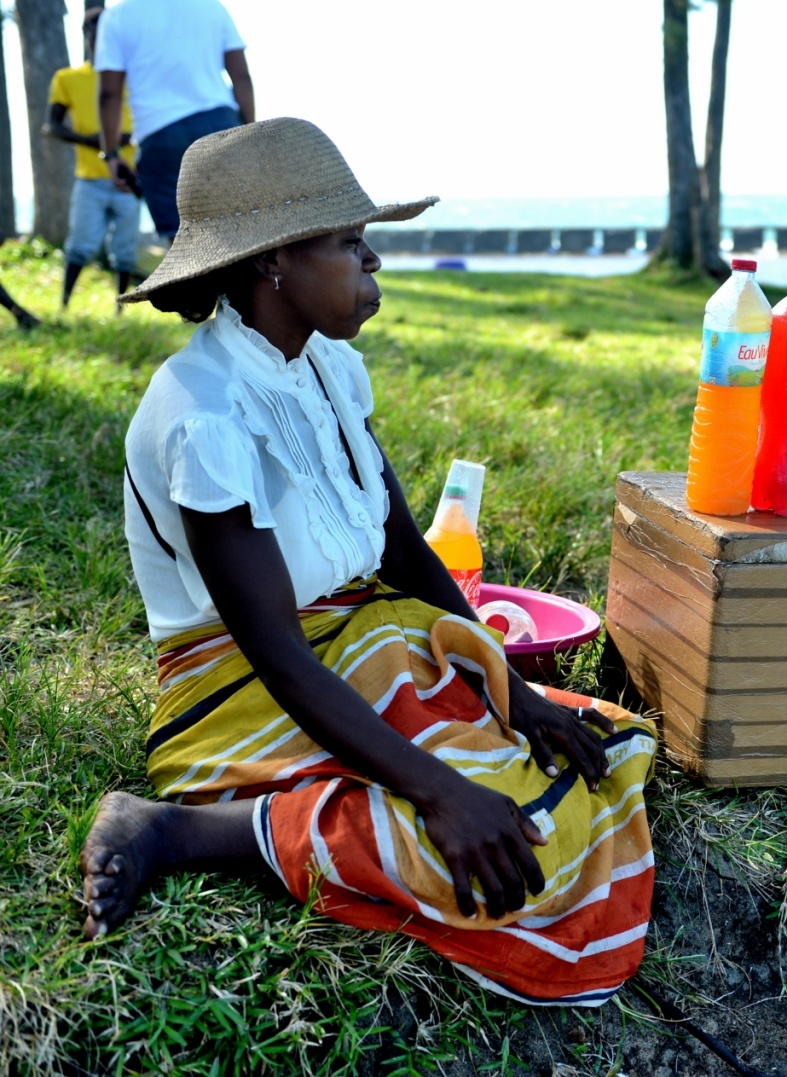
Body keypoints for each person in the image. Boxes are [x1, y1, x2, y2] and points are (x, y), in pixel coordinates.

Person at [79, 118, 658, 1006]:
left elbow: (402, 550)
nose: (372, 265)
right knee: (479, 836)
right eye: (351, 243)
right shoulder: (204, 412)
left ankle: (433, 772)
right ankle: (180, 830)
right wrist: (436, 793)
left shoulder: (326, 370)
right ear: (274, 261)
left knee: (591, 752)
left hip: (360, 641)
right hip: (239, 692)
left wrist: (516, 689)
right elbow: (273, 647)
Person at [94, 0, 254, 241]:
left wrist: (112, 154)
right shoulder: (211, 6)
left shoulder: (117, 16)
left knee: (184, 247)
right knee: (238, 230)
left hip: (161, 136)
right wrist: (249, 133)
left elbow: (109, 94)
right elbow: (241, 77)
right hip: (222, 124)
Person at [44, 6, 140, 308]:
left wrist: (129, 138)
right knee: (79, 246)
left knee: (125, 250)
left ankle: (120, 309)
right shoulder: (68, 78)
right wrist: (91, 140)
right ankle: (64, 305)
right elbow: (53, 126)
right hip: (89, 179)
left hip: (130, 178)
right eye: (94, 34)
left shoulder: (133, 77)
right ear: (85, 36)